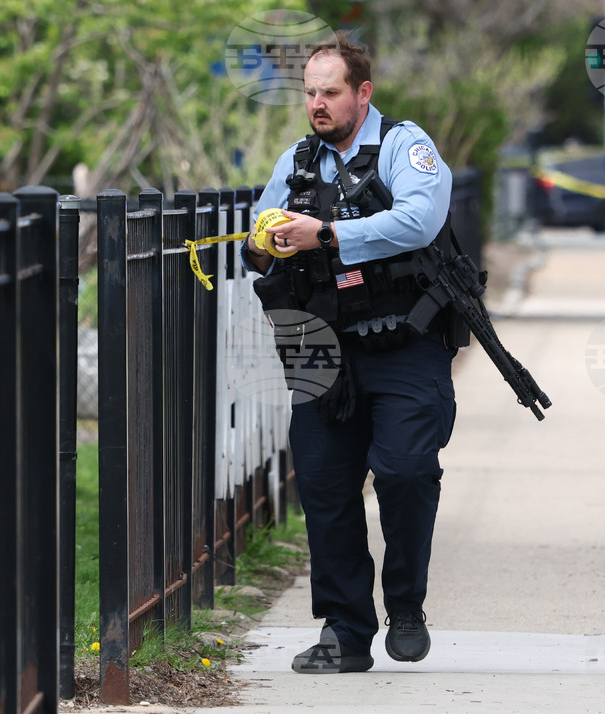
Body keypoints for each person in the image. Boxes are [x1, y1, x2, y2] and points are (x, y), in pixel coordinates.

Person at [240, 31, 459, 674]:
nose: (317, 103)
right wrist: (265, 243)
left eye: (330, 92)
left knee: (406, 471)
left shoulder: (403, 147)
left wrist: (328, 234)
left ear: (362, 92)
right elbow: (260, 232)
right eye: (310, 92)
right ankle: (345, 631)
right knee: (325, 487)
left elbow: (419, 220)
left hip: (405, 340)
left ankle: (406, 606)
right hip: (321, 346)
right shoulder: (297, 160)